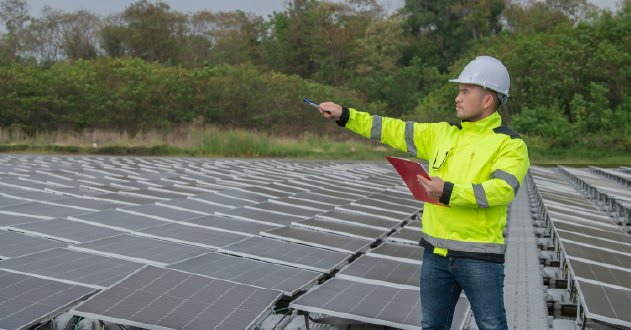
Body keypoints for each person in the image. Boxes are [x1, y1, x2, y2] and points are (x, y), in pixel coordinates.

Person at [318, 56, 529, 330]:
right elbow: (391, 129)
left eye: (465, 91)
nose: (457, 97)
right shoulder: (442, 134)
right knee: (432, 326)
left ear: (488, 100)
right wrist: (346, 115)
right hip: (435, 256)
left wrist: (449, 192)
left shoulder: (510, 145)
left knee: (491, 326)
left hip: (479, 258)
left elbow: (501, 190)